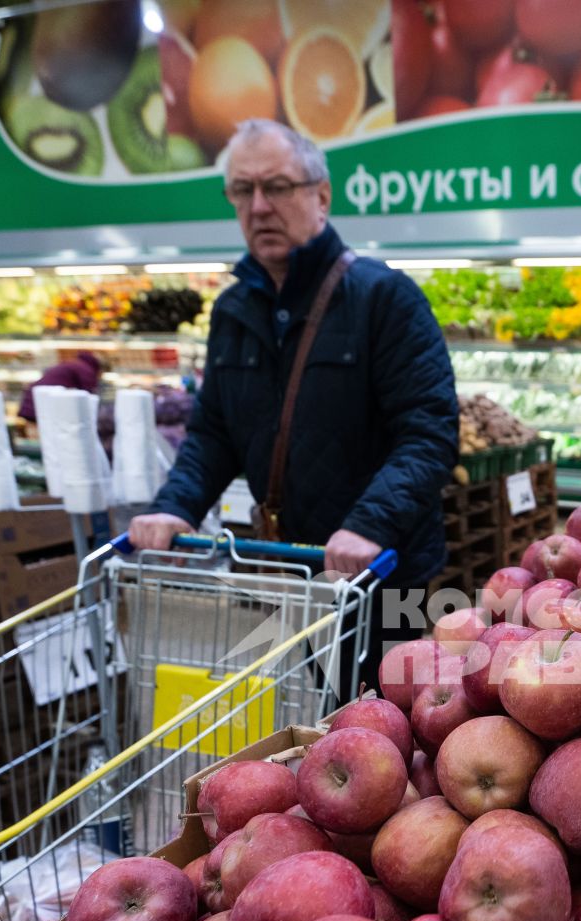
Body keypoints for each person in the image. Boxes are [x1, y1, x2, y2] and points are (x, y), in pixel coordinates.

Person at [128, 118, 458, 681]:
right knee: (315, 731)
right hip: (293, 571)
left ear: (321, 196)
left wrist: (369, 525)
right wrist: (175, 505)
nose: (258, 206)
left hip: (386, 575)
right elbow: (213, 433)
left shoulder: (384, 297)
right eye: (242, 190)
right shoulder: (233, 311)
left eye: (277, 187)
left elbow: (428, 432)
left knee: (387, 730)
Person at [18, 350, 103, 422]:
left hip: (35, 400)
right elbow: (89, 394)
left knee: (42, 435)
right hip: (42, 404)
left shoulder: (74, 364)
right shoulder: (86, 369)